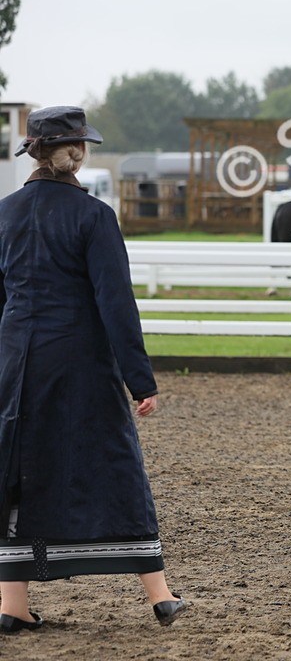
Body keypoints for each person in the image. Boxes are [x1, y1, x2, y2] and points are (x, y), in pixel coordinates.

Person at [0, 106, 188, 631]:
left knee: (17, 471)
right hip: (80, 361)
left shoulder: (4, 213)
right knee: (115, 462)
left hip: (16, 364)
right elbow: (115, 303)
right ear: (70, 155)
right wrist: (140, 380)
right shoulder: (94, 216)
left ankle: (11, 606)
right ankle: (160, 595)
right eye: (78, 146)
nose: (81, 153)